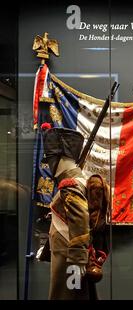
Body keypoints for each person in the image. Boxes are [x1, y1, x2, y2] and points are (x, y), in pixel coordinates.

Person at [41, 124, 95, 299]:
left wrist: (77, 261)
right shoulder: (76, 180)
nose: (48, 165)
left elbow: (80, 220)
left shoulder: (70, 184)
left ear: (59, 159)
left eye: (49, 159)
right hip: (68, 256)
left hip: (69, 258)